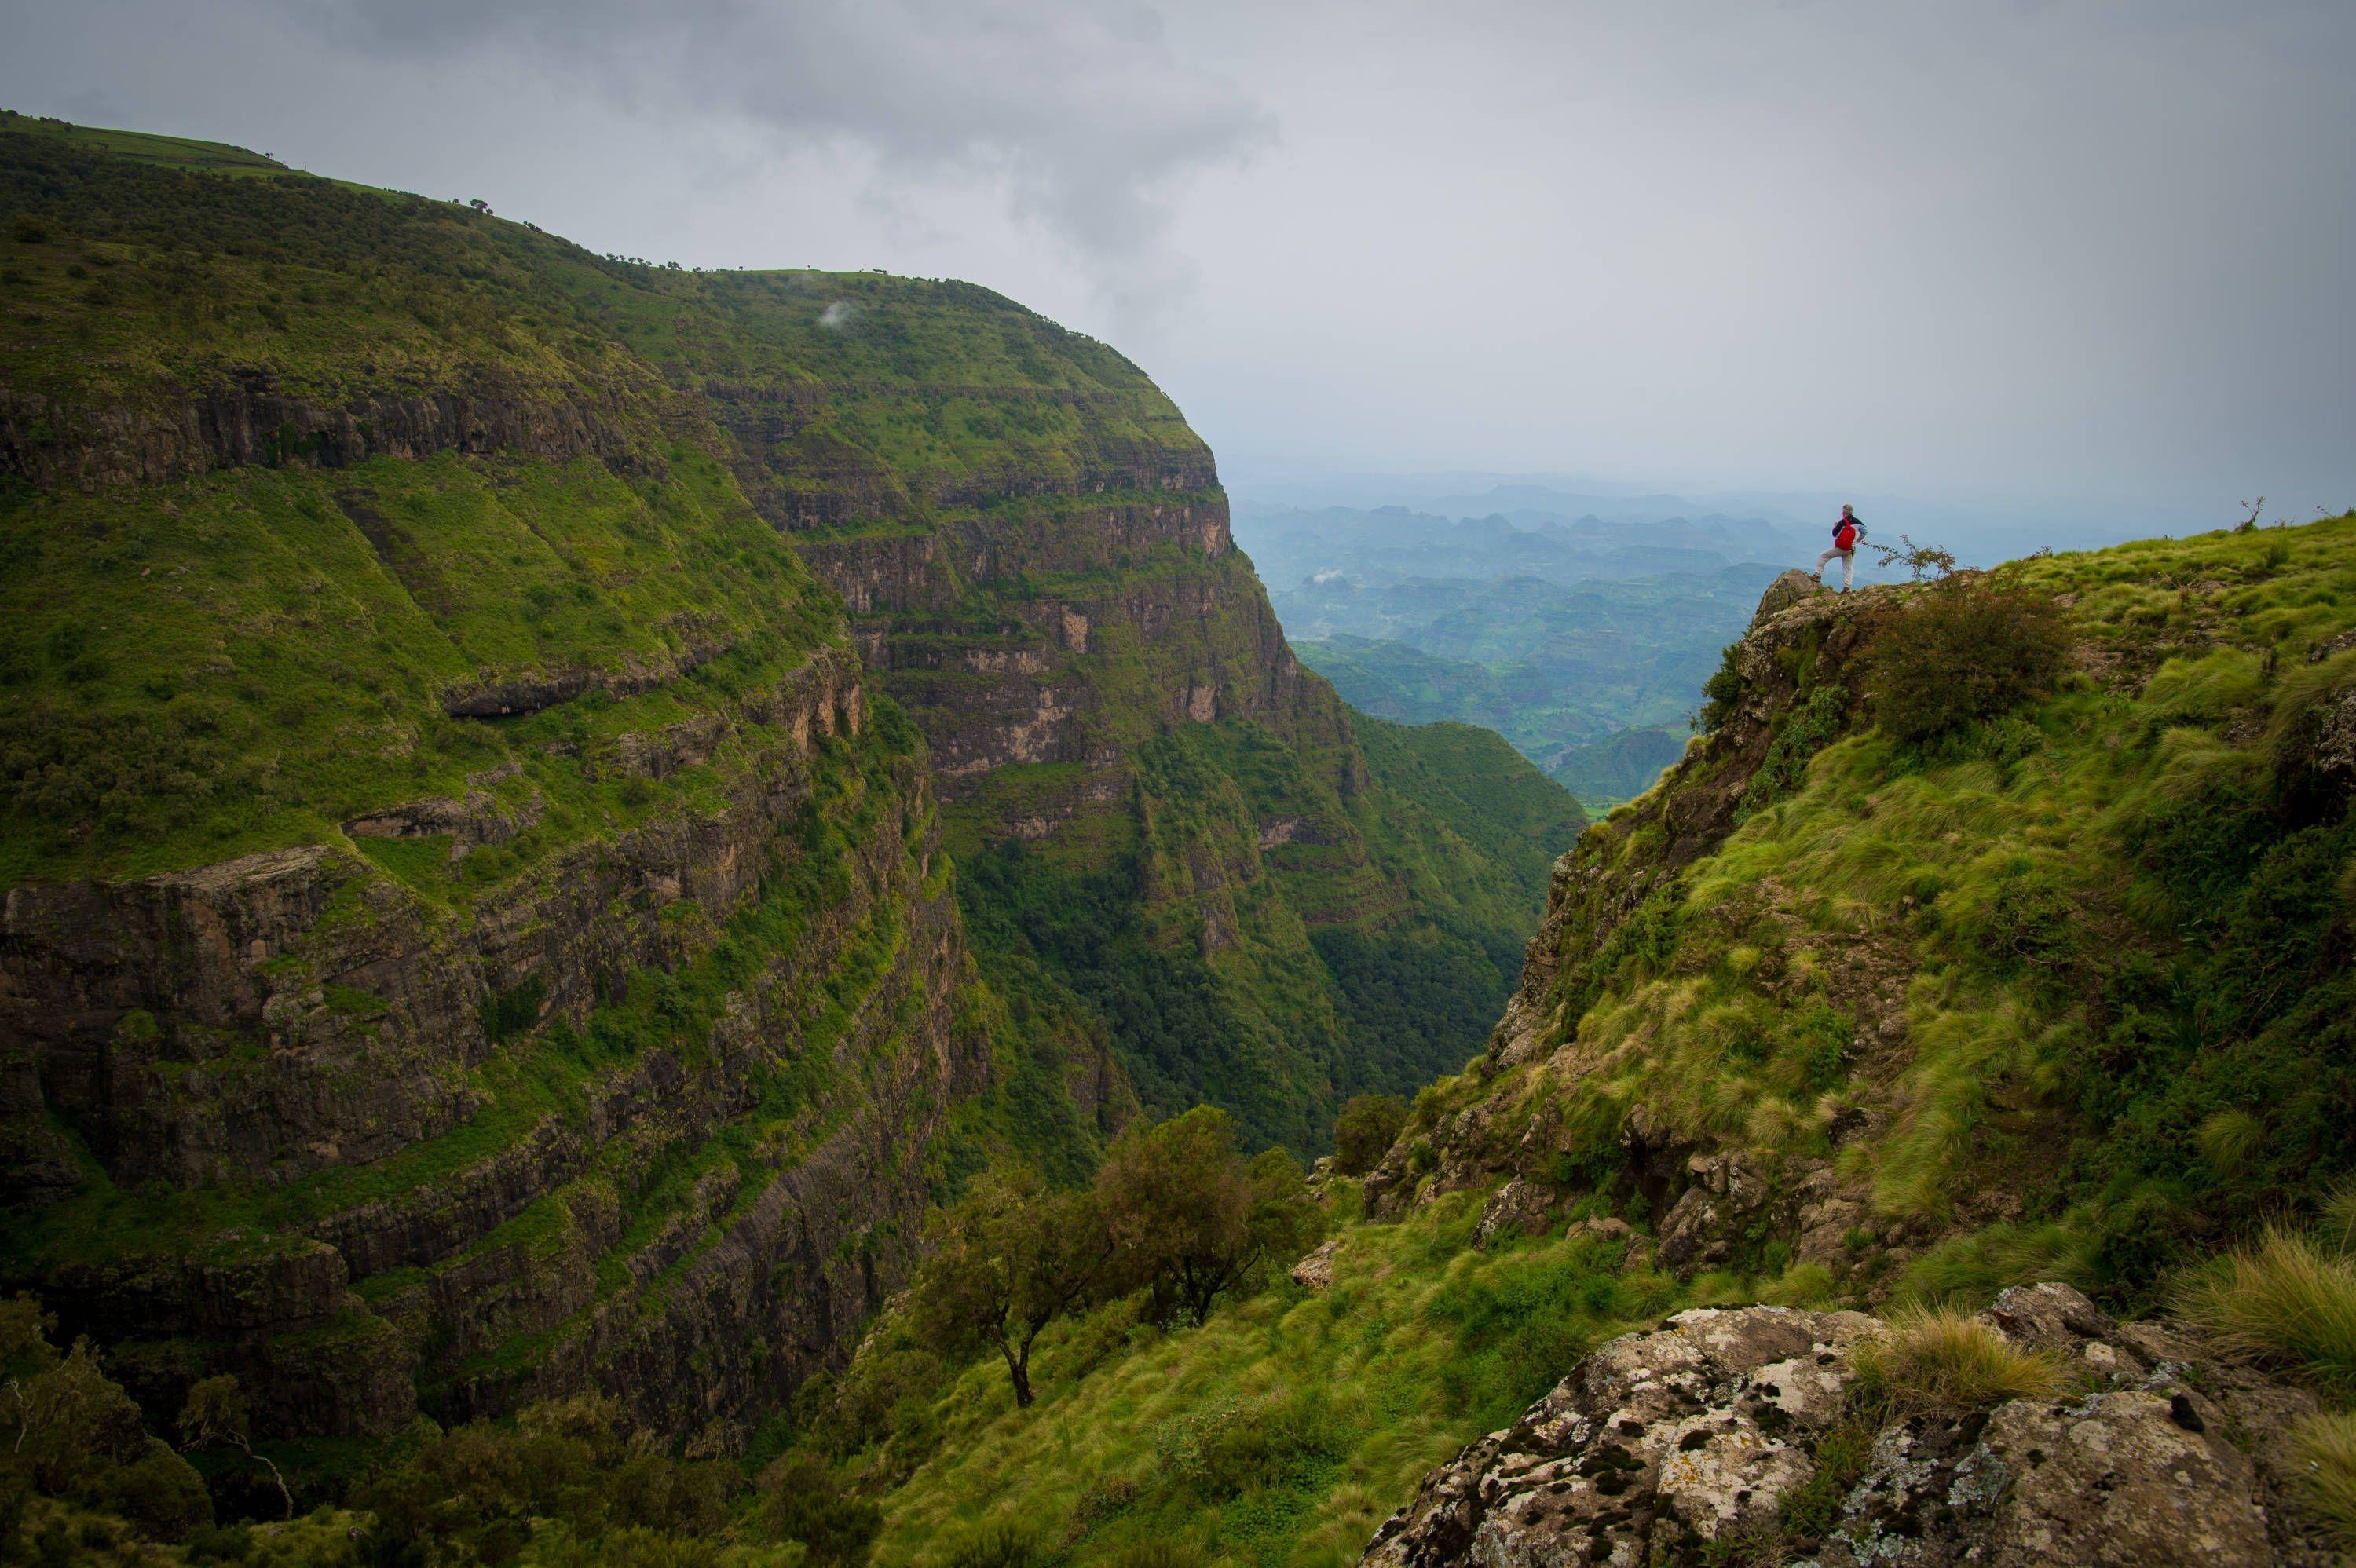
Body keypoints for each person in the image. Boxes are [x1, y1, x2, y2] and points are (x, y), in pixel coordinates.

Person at [1814, 504, 1864, 591]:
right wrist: (1857, 541)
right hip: (1850, 549)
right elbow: (1865, 532)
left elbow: (1835, 534)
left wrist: (1836, 526)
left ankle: (1817, 575)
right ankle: (1847, 587)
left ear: (1843, 512)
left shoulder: (1842, 522)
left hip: (1840, 548)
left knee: (1822, 556)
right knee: (1848, 567)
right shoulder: (1858, 522)